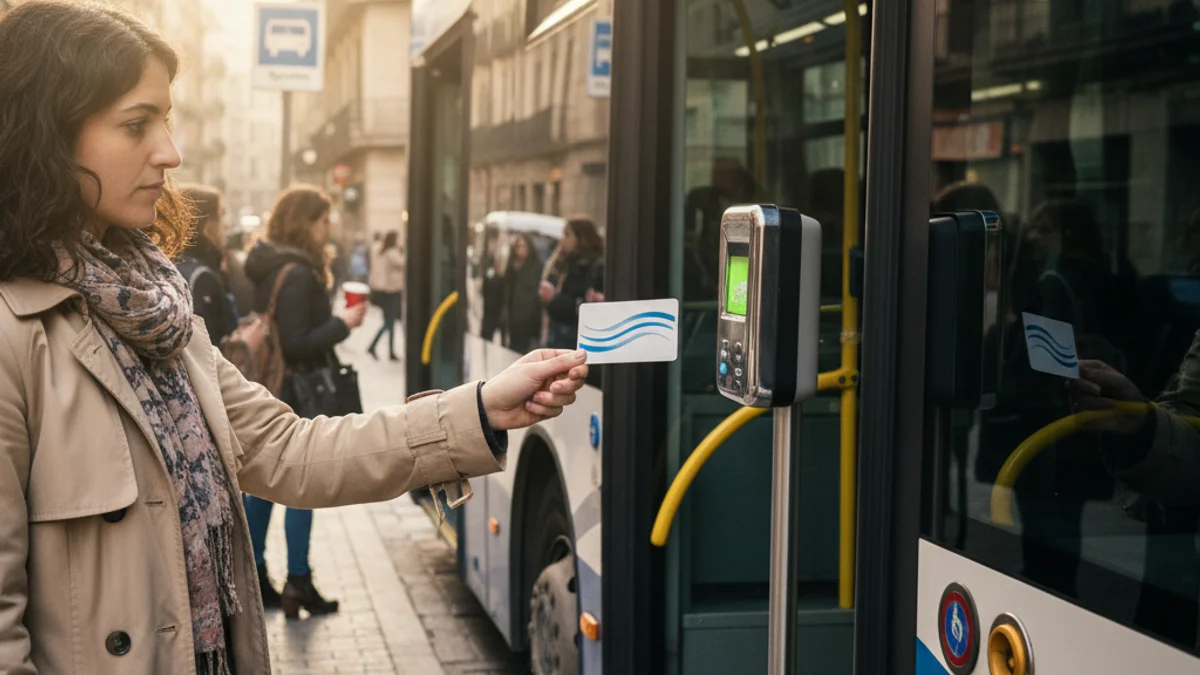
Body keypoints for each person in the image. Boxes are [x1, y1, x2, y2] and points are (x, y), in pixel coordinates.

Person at [0, 4, 590, 673]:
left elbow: (288, 447)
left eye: (166, 120)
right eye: (138, 124)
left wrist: (479, 408)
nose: (170, 151)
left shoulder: (158, 309)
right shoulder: (16, 336)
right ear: (48, 137)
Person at [241, 185, 367, 616]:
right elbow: (296, 342)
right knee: (301, 486)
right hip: (296, 391)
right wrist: (342, 324)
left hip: (274, 387)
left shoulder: (268, 264)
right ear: (305, 223)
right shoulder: (296, 272)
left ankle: (256, 576)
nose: (328, 228)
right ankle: (298, 580)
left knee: (263, 487)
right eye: (323, 220)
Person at [175, 184, 237, 343]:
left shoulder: (170, 262)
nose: (227, 224)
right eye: (221, 214)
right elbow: (211, 345)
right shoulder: (202, 277)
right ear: (206, 224)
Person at [540, 217, 604, 349]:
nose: (562, 239)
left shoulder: (595, 267)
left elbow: (583, 307)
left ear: (581, 239)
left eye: (567, 234)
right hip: (559, 340)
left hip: (578, 345)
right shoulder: (565, 264)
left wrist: (554, 299)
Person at [367, 229, 404, 361]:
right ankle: (377, 347)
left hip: (383, 290)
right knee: (389, 322)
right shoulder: (391, 253)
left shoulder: (380, 251)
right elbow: (403, 263)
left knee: (389, 322)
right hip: (392, 291)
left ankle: (386, 349)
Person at [505, 233, 544, 353]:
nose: (521, 250)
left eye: (524, 246)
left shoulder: (536, 266)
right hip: (513, 317)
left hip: (529, 318)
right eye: (518, 247)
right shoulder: (511, 267)